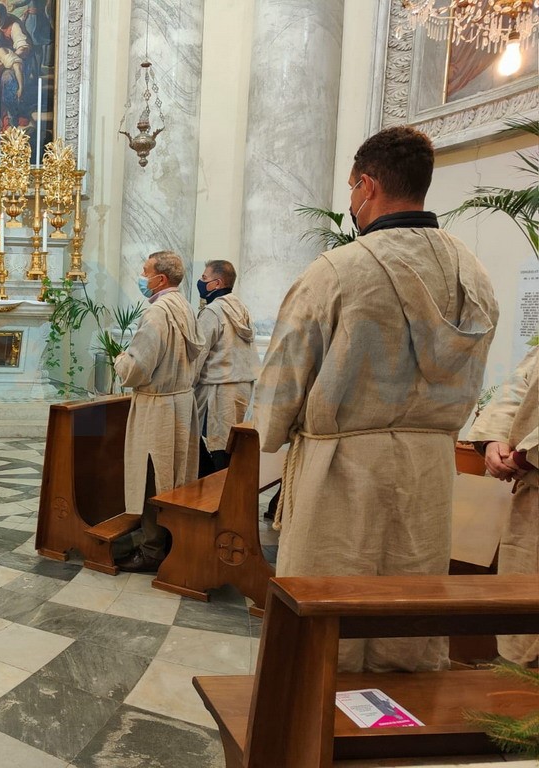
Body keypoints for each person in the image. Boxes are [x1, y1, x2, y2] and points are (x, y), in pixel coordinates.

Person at [254, 125, 498, 673]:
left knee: (328, 603)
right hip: (429, 465)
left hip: (342, 465)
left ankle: (315, 708)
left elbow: (286, 372)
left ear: (367, 186)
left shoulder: (338, 270)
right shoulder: (472, 271)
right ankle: (398, 712)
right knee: (407, 603)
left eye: (351, 188)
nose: (351, 199)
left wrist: (274, 429)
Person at [113, 251, 205, 573]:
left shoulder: (157, 313)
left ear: (160, 279)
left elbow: (136, 368)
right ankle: (173, 541)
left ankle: (152, 550)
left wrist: (119, 359)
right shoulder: (185, 306)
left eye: (145, 271)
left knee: (153, 475)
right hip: (181, 402)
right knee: (175, 475)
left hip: (157, 406)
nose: (142, 276)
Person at [468, 345, 538, 668]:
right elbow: (517, 388)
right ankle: (514, 672)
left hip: (530, 467)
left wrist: (525, 455)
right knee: (521, 592)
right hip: (531, 497)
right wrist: (495, 440)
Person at [193, 259, 259, 473]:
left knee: (215, 449)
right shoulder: (242, 308)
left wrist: (187, 383)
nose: (201, 282)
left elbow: (198, 353)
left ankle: (214, 492)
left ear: (217, 283)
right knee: (232, 448)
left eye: (205, 278)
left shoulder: (213, 312)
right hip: (241, 389)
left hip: (218, 391)